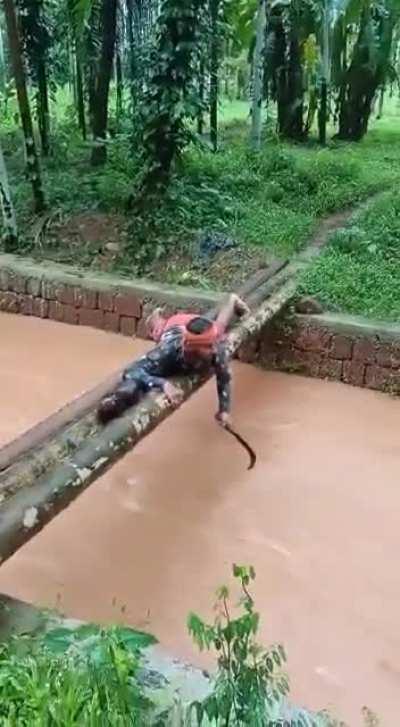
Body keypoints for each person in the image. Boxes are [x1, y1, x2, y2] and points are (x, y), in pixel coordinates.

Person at [98, 293, 249, 427]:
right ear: (189, 349)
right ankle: (156, 319)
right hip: (175, 326)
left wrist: (224, 411)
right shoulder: (167, 350)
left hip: (201, 329)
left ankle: (231, 300)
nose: (213, 350)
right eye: (208, 348)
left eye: (212, 347)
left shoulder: (215, 347)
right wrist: (163, 384)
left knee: (220, 327)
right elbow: (132, 371)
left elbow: (224, 378)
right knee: (159, 332)